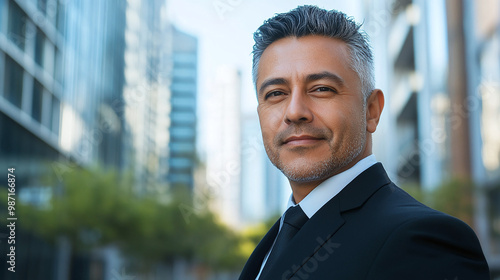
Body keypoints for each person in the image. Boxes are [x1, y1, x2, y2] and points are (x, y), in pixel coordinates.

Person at [239, 5, 490, 280]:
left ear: (371, 110)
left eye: (322, 89)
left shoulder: (422, 241)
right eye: (276, 93)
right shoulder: (276, 239)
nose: (295, 111)